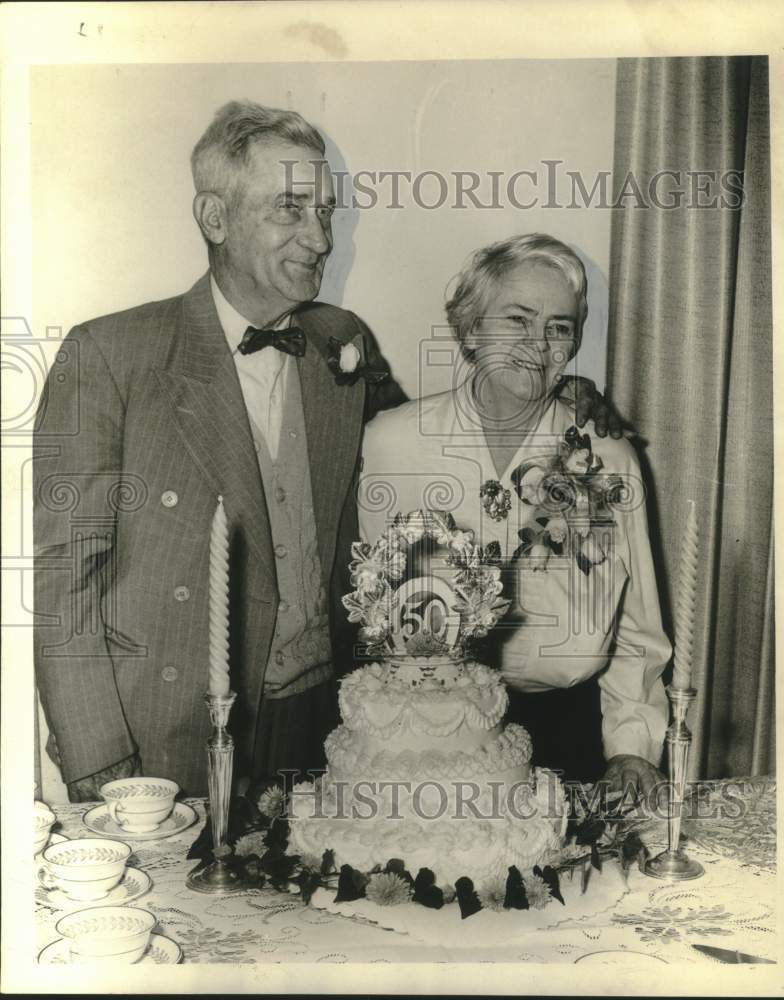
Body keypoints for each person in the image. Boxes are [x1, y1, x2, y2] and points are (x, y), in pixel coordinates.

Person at [33, 103, 620, 802]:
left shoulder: (339, 339)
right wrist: (101, 762)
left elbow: (427, 443)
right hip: (166, 730)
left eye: (326, 211)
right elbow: (61, 583)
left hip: (323, 723)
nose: (318, 238)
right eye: (290, 209)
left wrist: (555, 404)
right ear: (215, 219)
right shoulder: (109, 354)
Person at [360, 234, 669, 794]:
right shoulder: (390, 444)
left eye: (559, 326)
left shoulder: (608, 459)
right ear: (471, 328)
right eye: (517, 319)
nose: (538, 343)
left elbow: (637, 627)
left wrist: (631, 746)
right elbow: (371, 608)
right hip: (431, 734)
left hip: (571, 736)